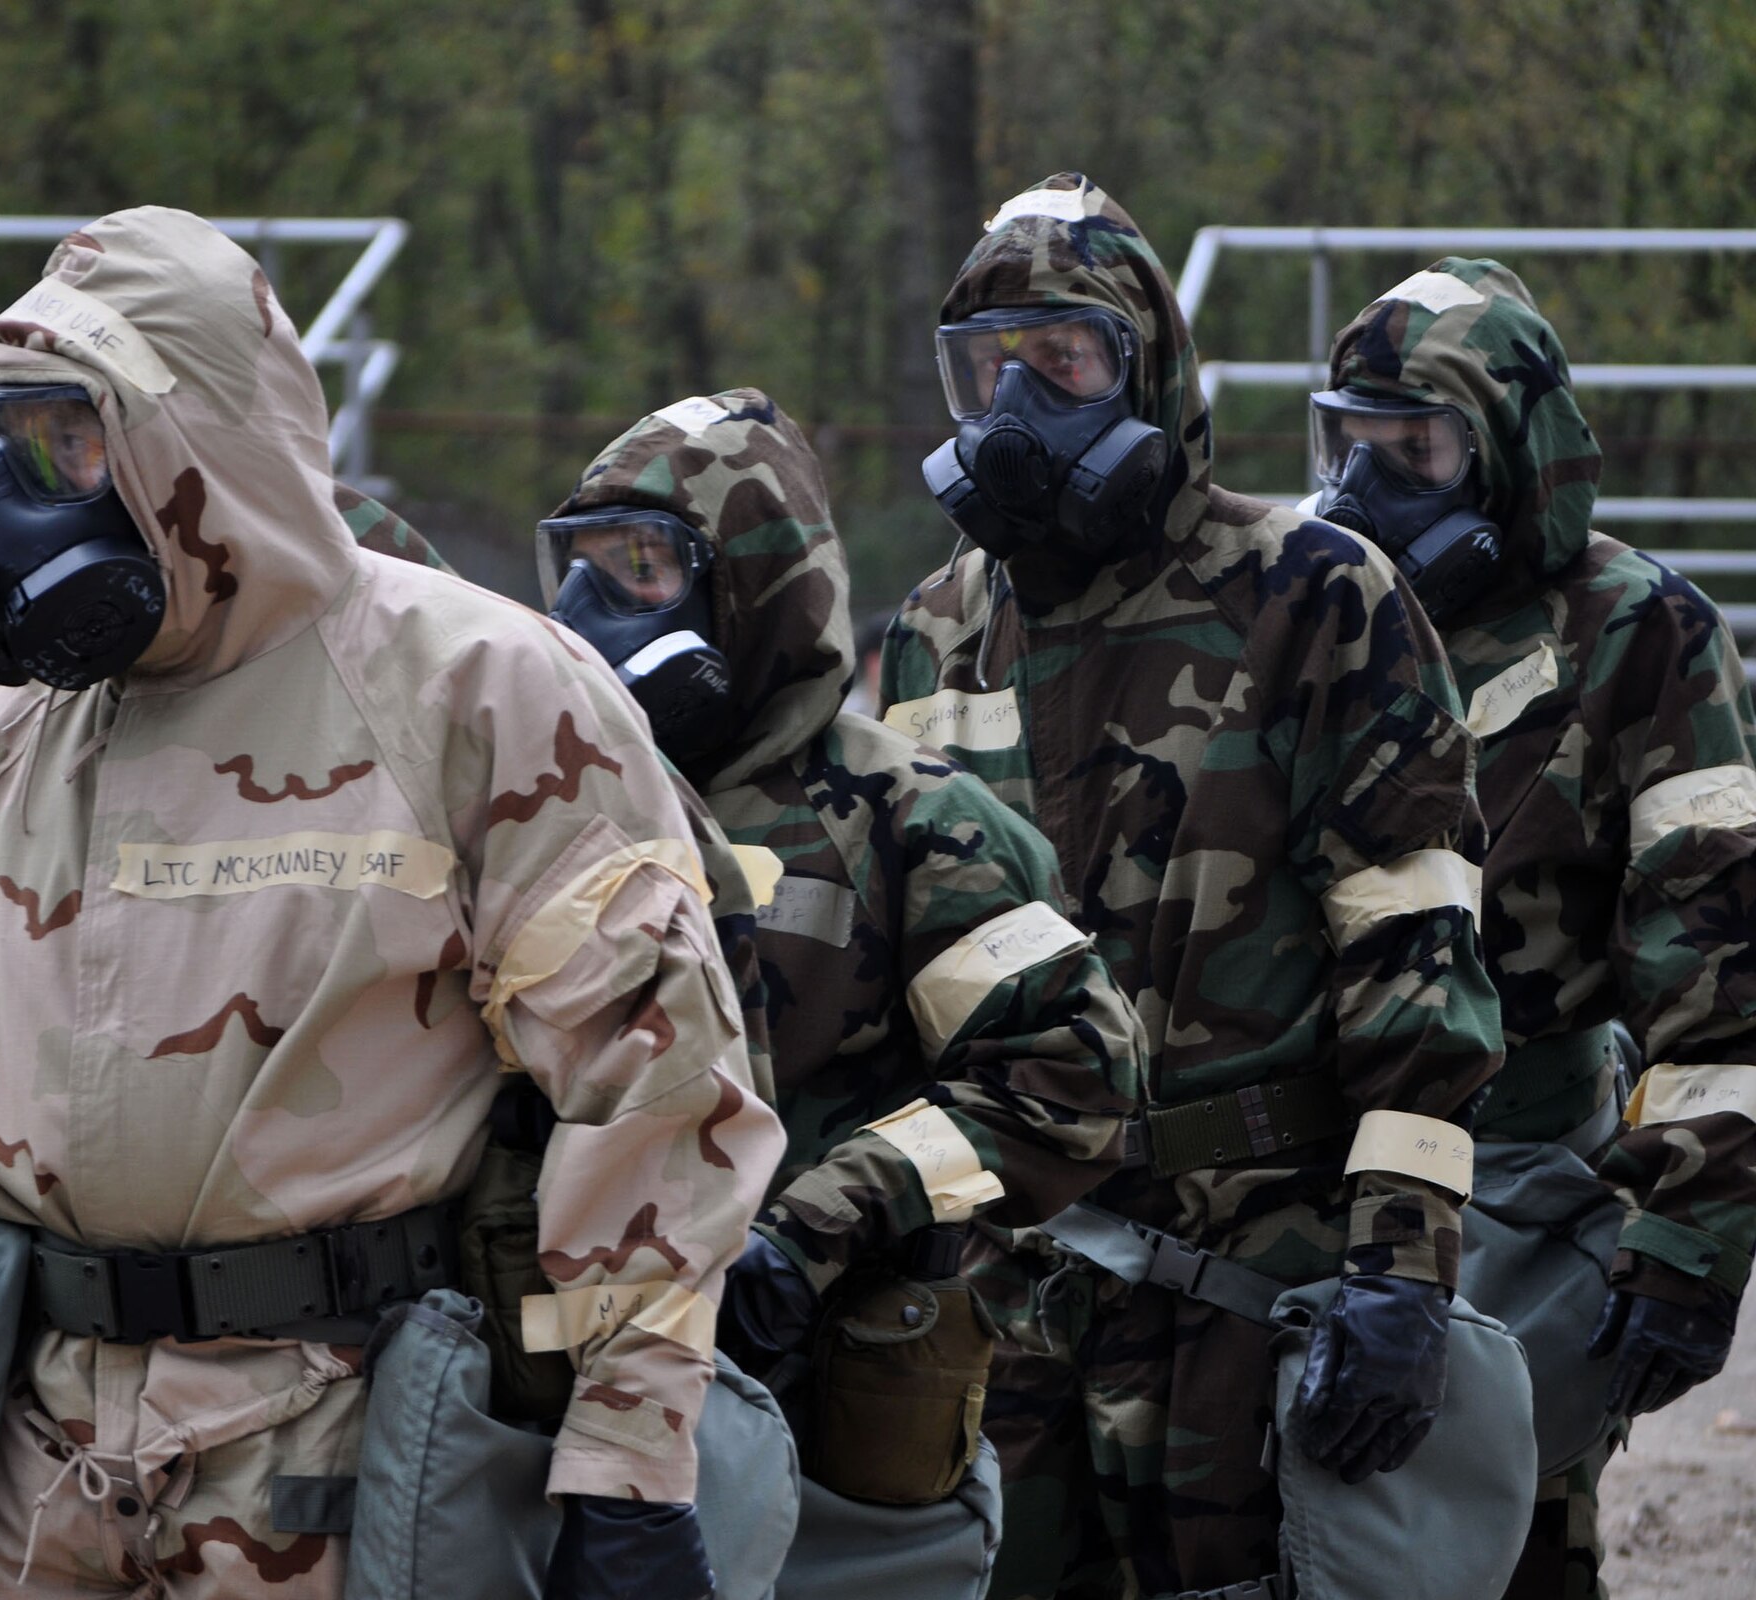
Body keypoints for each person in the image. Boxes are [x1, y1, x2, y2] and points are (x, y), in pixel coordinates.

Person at [0, 206, 781, 1600]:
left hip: (341, 1468)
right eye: (13, 442)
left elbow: (655, 1096)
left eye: (76, 440)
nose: (29, 494)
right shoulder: (11, 728)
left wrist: (627, 1474)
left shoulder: (478, 686)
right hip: (30, 1481)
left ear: (195, 442)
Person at [878, 173, 1504, 1598]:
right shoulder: (936, 629)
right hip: (1009, 1274)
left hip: (1254, 1257)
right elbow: (901, 959)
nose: (1019, 406)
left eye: (1065, 362)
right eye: (988, 370)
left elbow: (1416, 949)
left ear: (1146, 365)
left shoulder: (1311, 590)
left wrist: (1400, 1264)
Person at [535, 389, 1145, 1524]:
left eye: (640, 567)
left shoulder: (904, 819)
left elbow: (1068, 1080)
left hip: (817, 1397)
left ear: (752, 589)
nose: (587, 607)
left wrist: (815, 1230)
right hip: (564, 1391)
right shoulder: (537, 806)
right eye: (575, 563)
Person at [1313, 257, 1756, 1599]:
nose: (1370, 488)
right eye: (1353, 442)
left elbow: (1724, 963)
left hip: (1528, 1162)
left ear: (1514, 455)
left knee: (1495, 1539)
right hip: (1318, 1169)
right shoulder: (1316, 614)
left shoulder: (1640, 633)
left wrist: (1686, 1237)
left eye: (1420, 449)